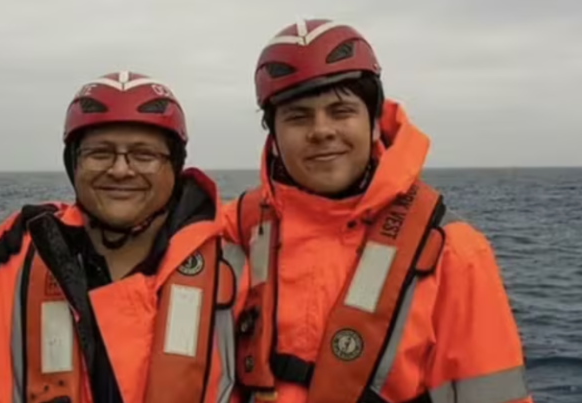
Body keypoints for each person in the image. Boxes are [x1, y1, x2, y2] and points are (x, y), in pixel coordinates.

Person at [222, 19, 533, 403]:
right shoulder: (231, 230)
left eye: (341, 111)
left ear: (373, 122)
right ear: (274, 134)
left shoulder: (453, 253)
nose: (321, 130)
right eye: (298, 117)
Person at [0, 71, 249, 403]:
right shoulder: (12, 273)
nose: (120, 170)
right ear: (73, 163)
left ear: (174, 166)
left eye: (144, 155)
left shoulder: (235, 267)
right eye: (99, 153)